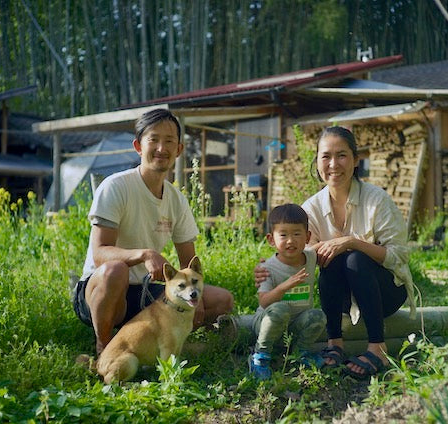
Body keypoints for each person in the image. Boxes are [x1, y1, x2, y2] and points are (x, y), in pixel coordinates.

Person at [255, 126, 416, 380]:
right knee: (331, 260)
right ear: (317, 162)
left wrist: (351, 242)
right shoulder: (311, 208)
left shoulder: (377, 200)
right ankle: (335, 344)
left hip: (384, 293)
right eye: (325, 156)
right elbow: (301, 255)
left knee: (352, 257)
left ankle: (378, 348)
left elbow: (398, 256)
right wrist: (271, 268)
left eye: (341, 155)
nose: (333, 164)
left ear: (355, 160)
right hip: (342, 300)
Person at [73, 108, 234, 356]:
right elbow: (100, 254)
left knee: (222, 300)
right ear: (138, 146)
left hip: (146, 293)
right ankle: (104, 348)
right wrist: (145, 254)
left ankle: (162, 344)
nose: (162, 148)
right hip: (104, 291)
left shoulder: (176, 200)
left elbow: (187, 263)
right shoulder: (116, 186)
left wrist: (197, 299)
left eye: (169, 141)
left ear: (179, 150)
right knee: (115, 270)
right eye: (154, 140)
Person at [249, 204, 327, 380]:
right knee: (281, 309)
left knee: (318, 315)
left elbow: (327, 246)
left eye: (297, 234)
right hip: (266, 322)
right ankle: (260, 357)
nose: (290, 241)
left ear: (307, 237)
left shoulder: (311, 257)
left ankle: (300, 355)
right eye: (283, 235)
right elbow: (264, 302)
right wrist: (286, 285)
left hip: (295, 324)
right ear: (271, 239)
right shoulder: (267, 268)